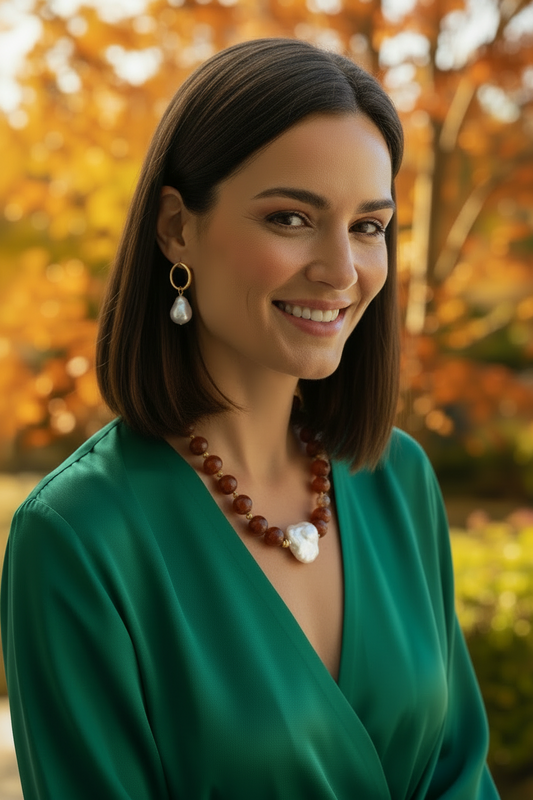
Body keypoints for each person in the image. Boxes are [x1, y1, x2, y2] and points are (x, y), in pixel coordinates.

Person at [1, 38, 499, 799]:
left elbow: (459, 772)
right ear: (175, 227)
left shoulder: (397, 478)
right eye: (291, 217)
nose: (341, 269)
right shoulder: (78, 536)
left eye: (368, 225)